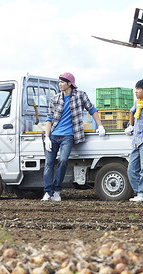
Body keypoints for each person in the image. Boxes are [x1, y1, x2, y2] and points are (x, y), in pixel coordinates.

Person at [42, 72, 106, 201]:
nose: (60, 84)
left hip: (68, 136)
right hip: (54, 135)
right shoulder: (55, 99)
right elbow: (49, 119)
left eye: (62, 82)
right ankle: (48, 192)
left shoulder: (80, 95)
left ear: (69, 84)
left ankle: (57, 191)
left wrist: (100, 126)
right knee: (48, 163)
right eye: (59, 82)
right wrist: (47, 137)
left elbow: (92, 109)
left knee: (63, 160)